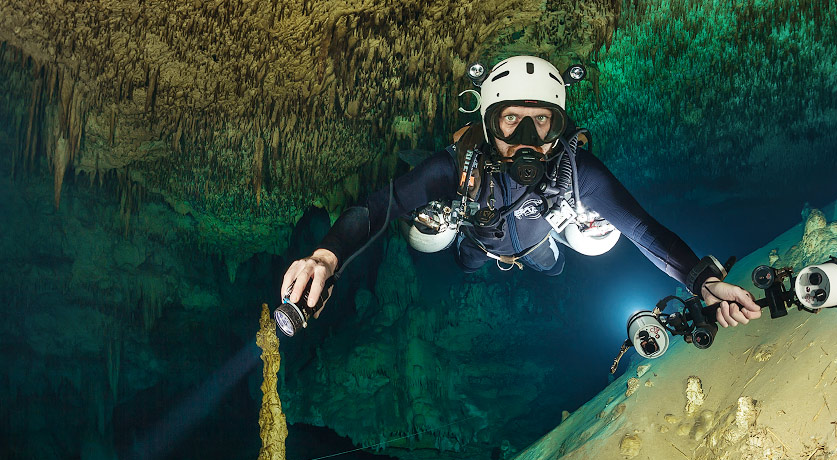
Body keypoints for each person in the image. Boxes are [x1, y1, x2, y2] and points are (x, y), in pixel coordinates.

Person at [279, 55, 761, 329]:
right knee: (464, 262)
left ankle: (548, 258)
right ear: (489, 123)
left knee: (552, 266)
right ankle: (475, 259)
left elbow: (642, 230)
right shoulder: (460, 165)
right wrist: (326, 256)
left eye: (541, 120)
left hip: (539, 243)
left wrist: (702, 282)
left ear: (557, 125)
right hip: (479, 241)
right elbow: (383, 204)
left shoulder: (575, 170)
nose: (526, 138)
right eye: (511, 119)